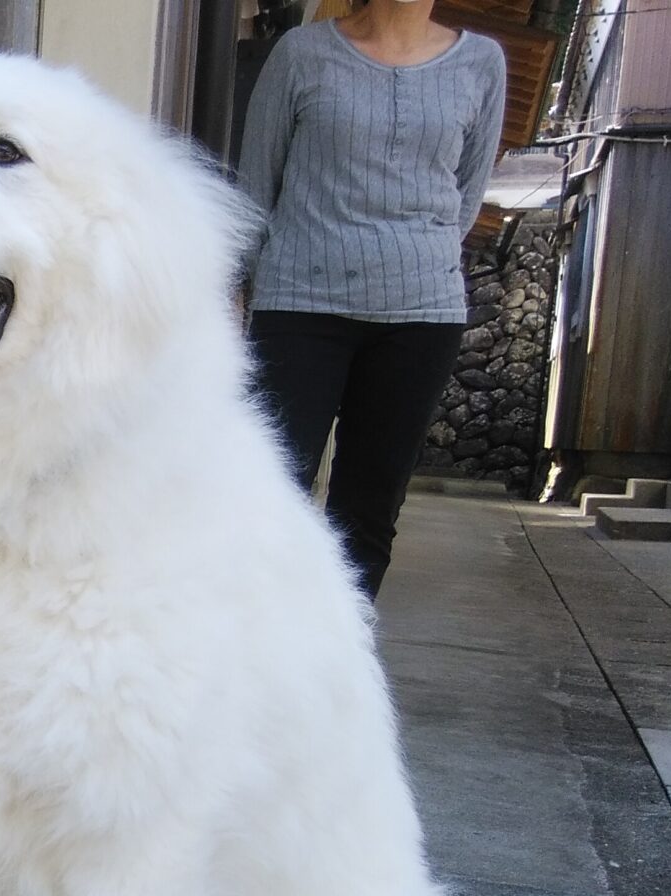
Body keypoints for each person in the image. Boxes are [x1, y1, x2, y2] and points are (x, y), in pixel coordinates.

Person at [236, 0, 507, 598]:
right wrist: (242, 290)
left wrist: (412, 258)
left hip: (421, 315)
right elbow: (255, 185)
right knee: (269, 493)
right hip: (299, 305)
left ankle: (336, 669)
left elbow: (465, 198)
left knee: (370, 508)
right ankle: (254, 655)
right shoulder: (301, 54)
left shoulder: (482, 62)